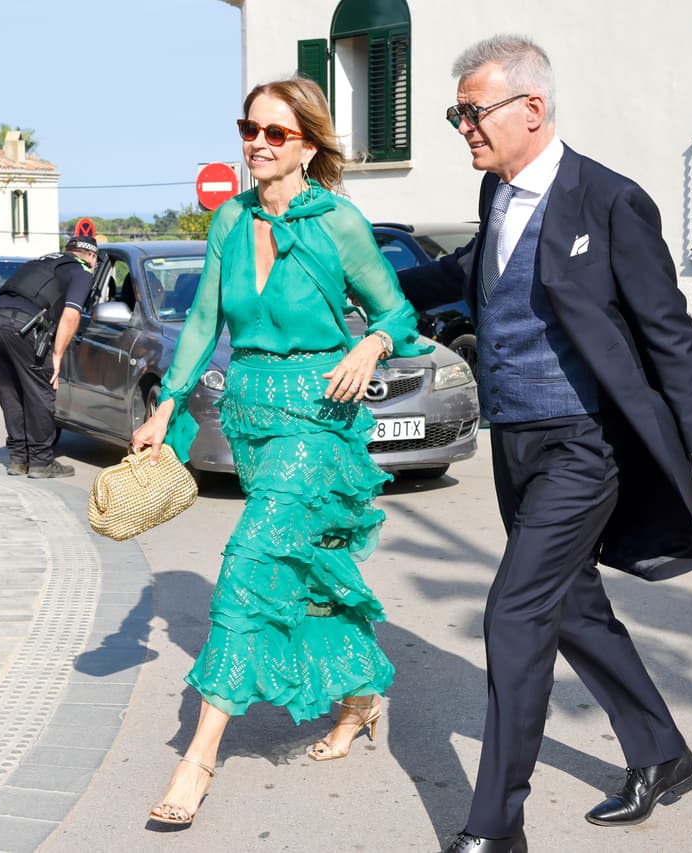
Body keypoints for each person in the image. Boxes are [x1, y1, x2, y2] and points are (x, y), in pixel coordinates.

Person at [394, 36, 692, 853]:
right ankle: (662, 753)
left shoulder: (611, 200)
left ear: (533, 107)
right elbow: (468, 273)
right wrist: (363, 283)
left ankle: (497, 826)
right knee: (572, 605)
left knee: (515, 611)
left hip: (587, 444)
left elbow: (668, 331)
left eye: (473, 112)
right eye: (457, 114)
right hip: (515, 442)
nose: (464, 128)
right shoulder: (496, 193)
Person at [131, 76, 428, 827]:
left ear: (308, 146)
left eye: (275, 133)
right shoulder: (230, 219)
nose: (256, 144)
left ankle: (197, 757)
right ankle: (360, 700)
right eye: (249, 129)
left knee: (248, 565)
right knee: (304, 572)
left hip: (319, 416)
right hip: (252, 417)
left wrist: (371, 343)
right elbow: (203, 321)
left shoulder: (339, 222)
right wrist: (165, 406)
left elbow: (397, 309)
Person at [0, 234, 97, 478]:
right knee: (40, 392)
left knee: (10, 390)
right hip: (24, 328)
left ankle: (18, 459)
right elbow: (71, 315)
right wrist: (57, 355)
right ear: (90, 256)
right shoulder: (82, 270)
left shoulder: (42, 261)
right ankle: (41, 461)